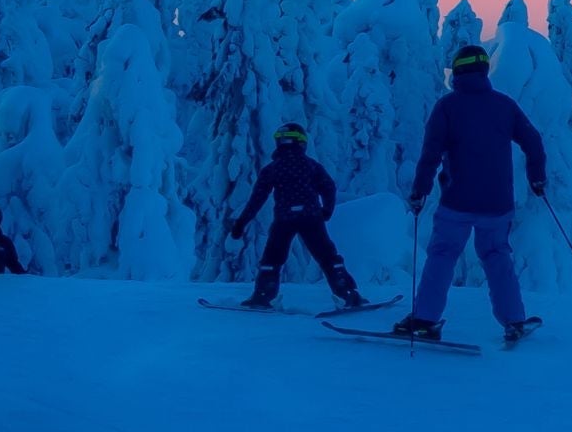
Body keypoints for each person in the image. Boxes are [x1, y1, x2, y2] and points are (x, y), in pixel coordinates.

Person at [391, 45, 549, 344]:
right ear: (485, 70)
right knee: (497, 257)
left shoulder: (447, 107)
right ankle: (514, 320)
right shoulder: (505, 105)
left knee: (442, 256)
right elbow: (533, 141)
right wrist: (537, 179)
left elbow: (431, 154)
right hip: (497, 204)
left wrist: (419, 191)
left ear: (458, 72)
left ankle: (425, 319)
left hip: (457, 202)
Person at [227, 122, 369, 310]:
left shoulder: (272, 169)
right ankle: (348, 295)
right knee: (328, 257)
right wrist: (327, 210)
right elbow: (329, 187)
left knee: (272, 259)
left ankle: (263, 297)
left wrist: (241, 224)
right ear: (302, 143)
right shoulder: (311, 166)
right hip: (311, 217)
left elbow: (257, 199)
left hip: (284, 219)